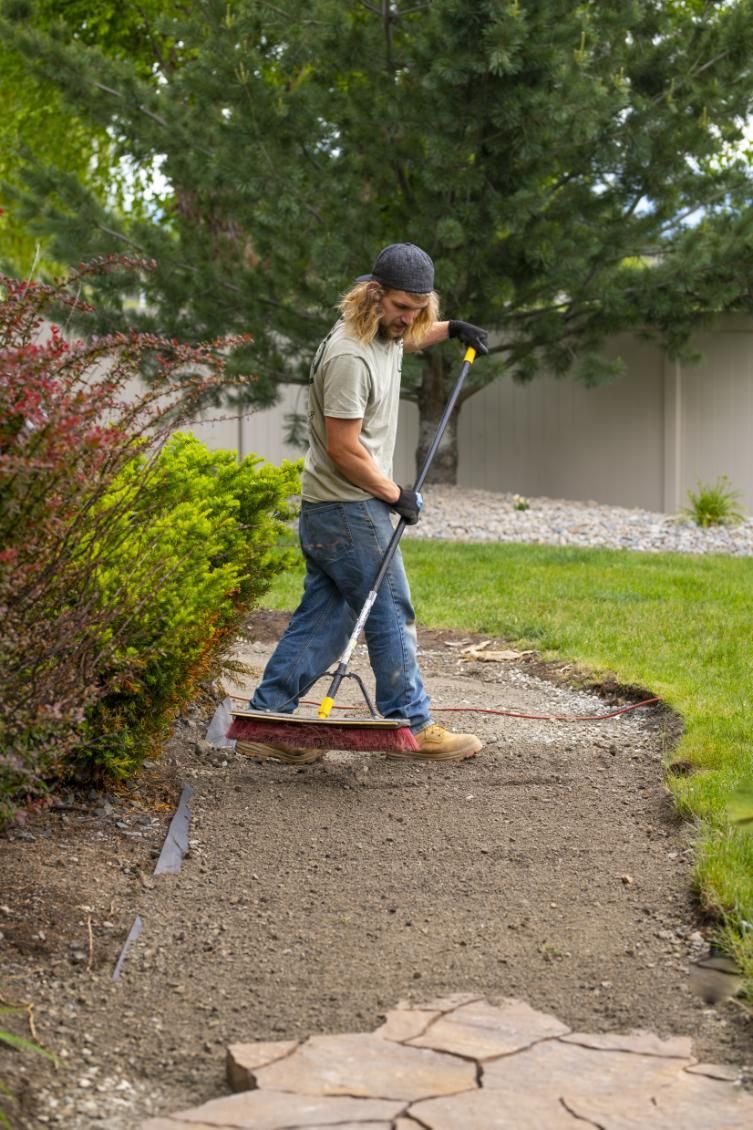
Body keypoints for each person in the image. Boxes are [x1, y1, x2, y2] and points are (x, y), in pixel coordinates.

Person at [240, 242, 489, 765]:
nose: (410, 320)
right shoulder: (349, 356)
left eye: (420, 310)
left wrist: (453, 330)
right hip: (349, 508)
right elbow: (343, 448)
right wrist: (396, 493)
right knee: (391, 611)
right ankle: (412, 723)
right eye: (402, 308)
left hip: (332, 509)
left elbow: (410, 339)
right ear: (374, 296)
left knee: (327, 620)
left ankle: (268, 721)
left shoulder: (386, 332)